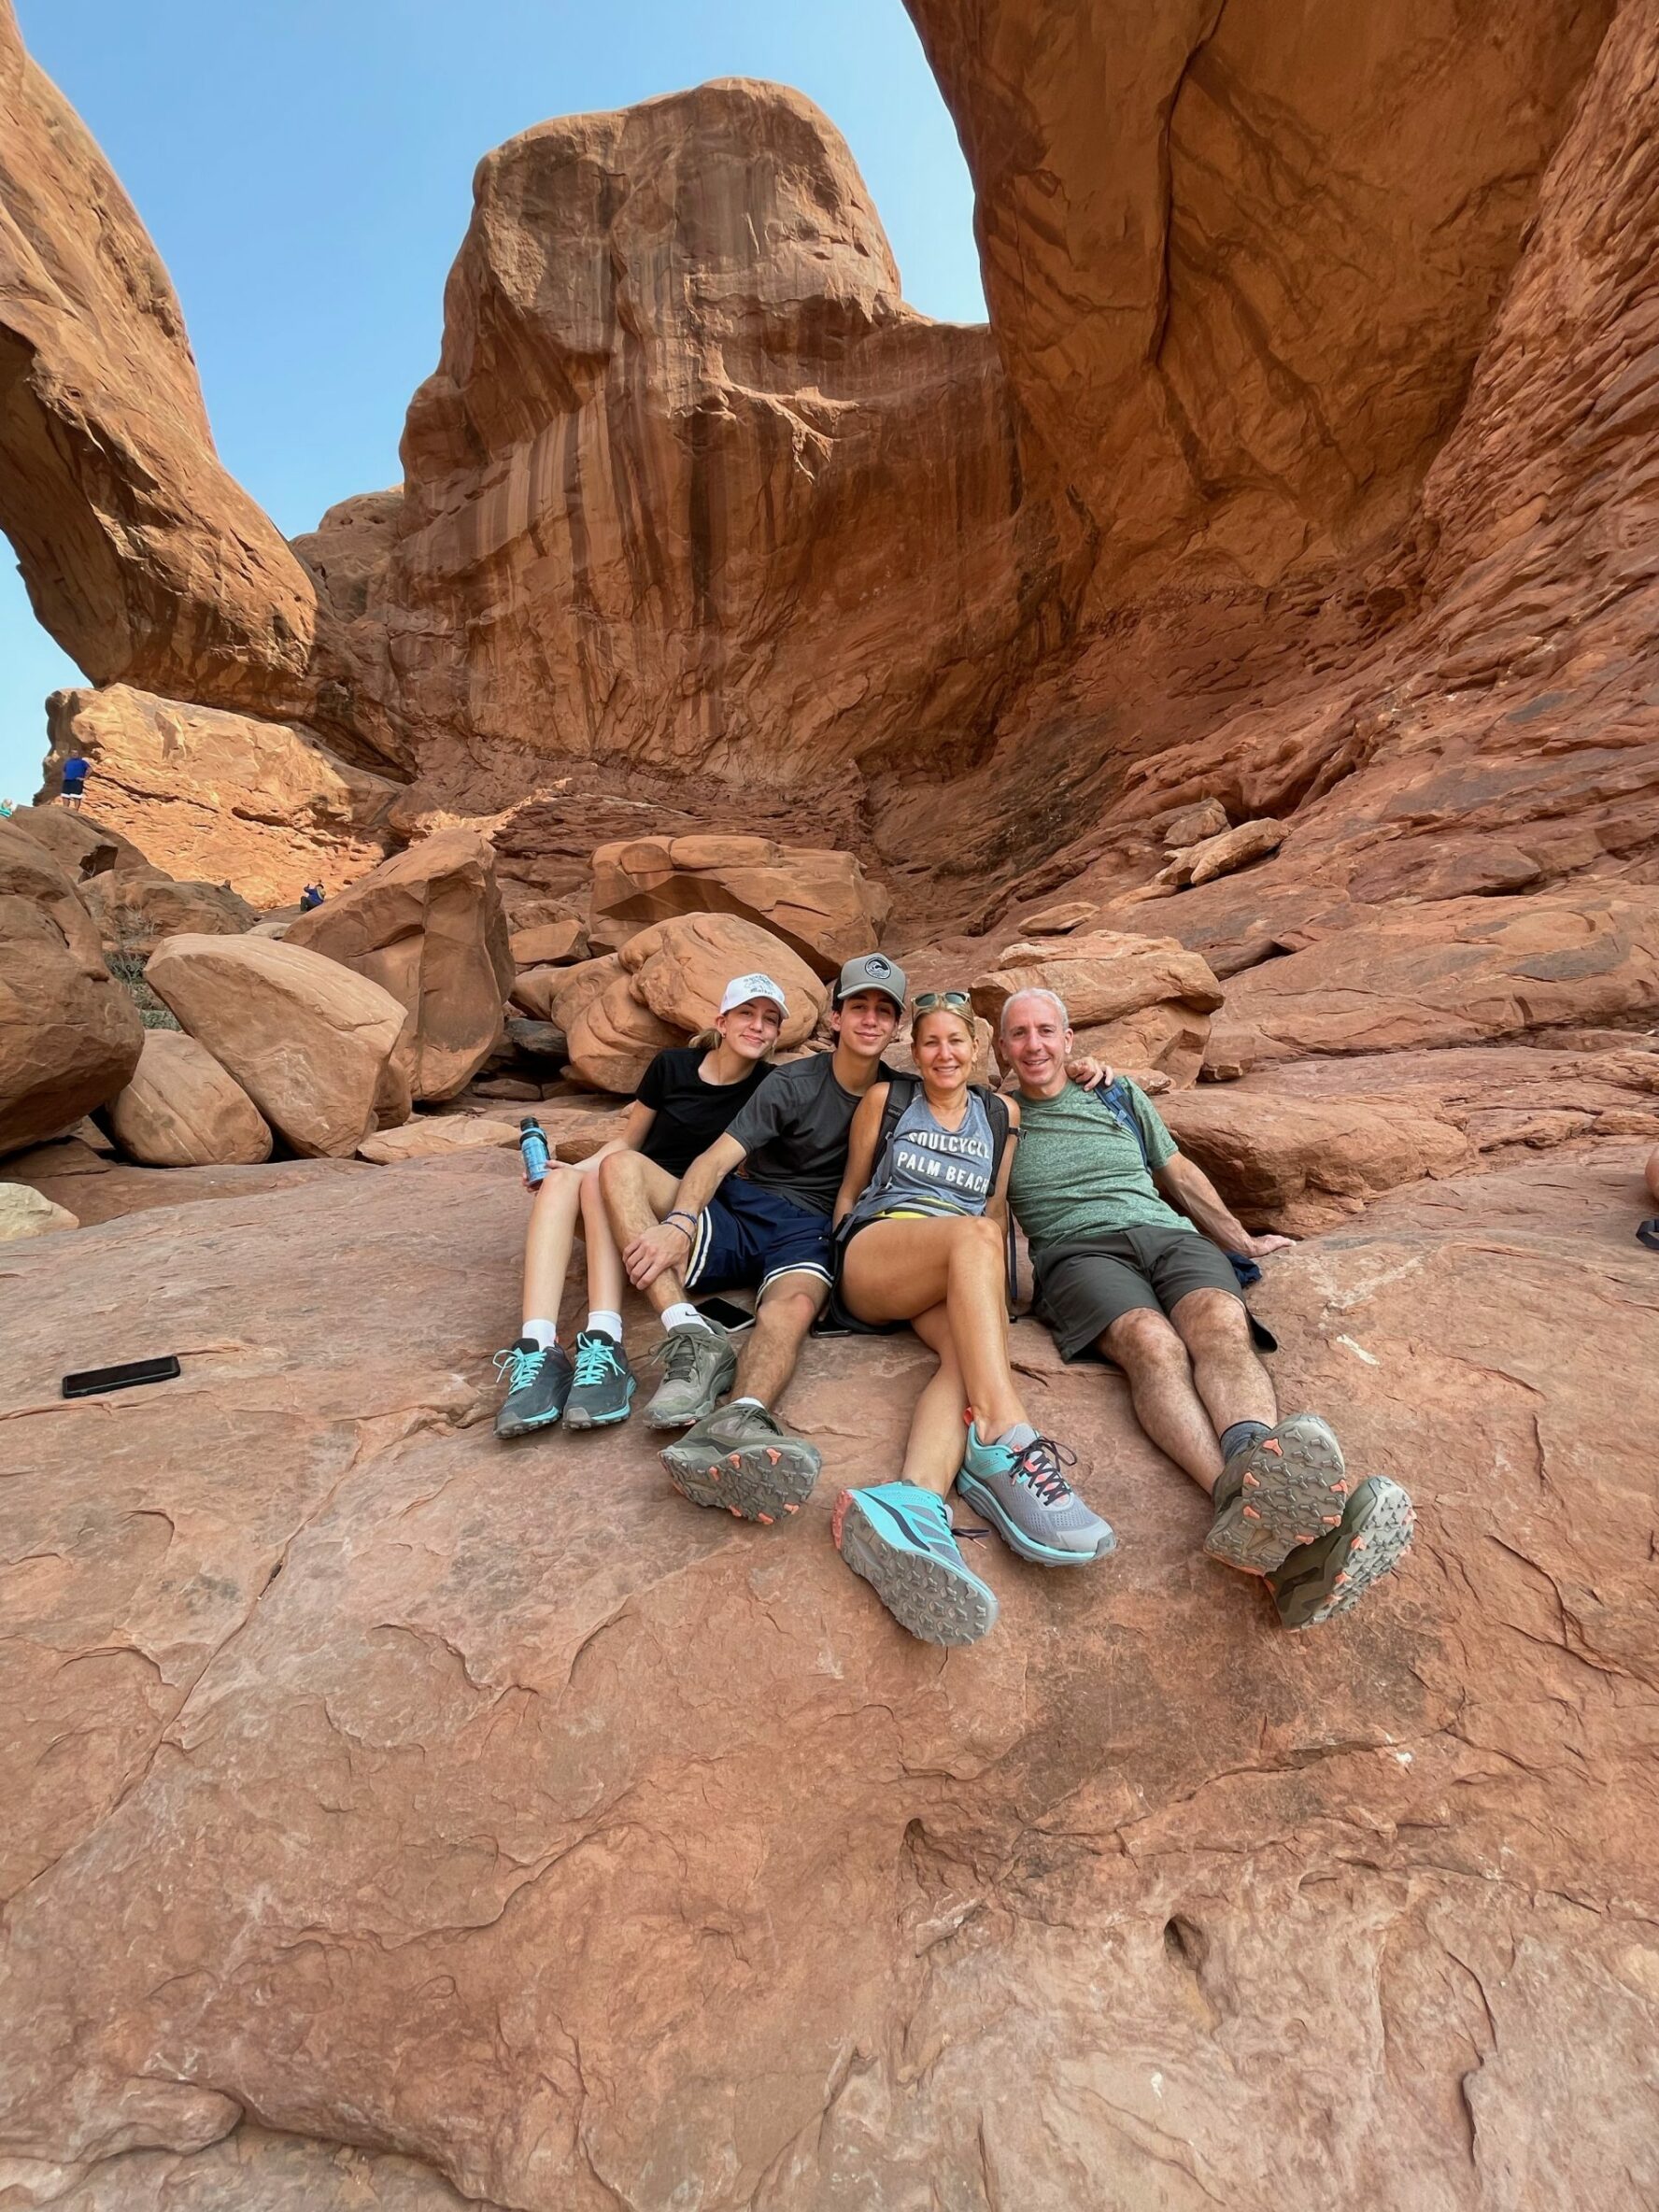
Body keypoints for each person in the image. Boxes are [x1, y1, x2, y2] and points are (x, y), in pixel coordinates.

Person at [1000, 986, 1414, 1630]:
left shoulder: (1116, 1094)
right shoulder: (998, 1117)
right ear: (1002, 1048)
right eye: (1019, 1034)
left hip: (1167, 1235)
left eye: (1045, 1031)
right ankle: (1256, 1504)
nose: (1034, 1045)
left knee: (1220, 1323)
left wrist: (1241, 1240)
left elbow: (1178, 1173)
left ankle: (1256, 1475)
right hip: (1078, 1252)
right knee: (1152, 1341)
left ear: (1068, 1038)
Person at [827, 991, 1114, 1647]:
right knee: (974, 1240)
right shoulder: (888, 1101)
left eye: (955, 1041)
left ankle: (914, 1503)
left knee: (968, 1357)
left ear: (976, 1048)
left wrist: (1100, 1071)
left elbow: (996, 1201)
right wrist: (825, 1276)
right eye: (930, 1042)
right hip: (878, 1255)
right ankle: (1005, 1436)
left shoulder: (1000, 1112)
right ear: (915, 1051)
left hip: (954, 1269)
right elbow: (852, 1190)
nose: (943, 1054)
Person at [602, 951, 908, 1518]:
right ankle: (688, 1334)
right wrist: (680, 1222)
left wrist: (1087, 1075)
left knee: (791, 1308)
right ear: (834, 1019)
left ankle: (737, 1420)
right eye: (857, 1006)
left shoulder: (901, 1095)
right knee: (619, 1168)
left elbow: (974, 1108)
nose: (869, 1020)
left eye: (883, 1012)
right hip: (743, 1211)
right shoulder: (792, 1083)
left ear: (895, 1027)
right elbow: (715, 1160)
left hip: (812, 1231)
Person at [492, 974, 787, 1439]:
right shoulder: (672, 1067)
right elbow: (628, 1141)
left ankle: (606, 1342)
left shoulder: (771, 1085)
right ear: (722, 1021)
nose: (758, 1026)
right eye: (747, 1014)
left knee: (611, 1174)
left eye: (770, 1020)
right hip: (629, 1191)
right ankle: (539, 1348)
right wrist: (567, 1170)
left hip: (693, 1210)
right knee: (565, 1184)